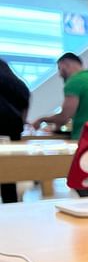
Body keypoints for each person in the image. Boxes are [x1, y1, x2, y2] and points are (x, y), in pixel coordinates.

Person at [32, 52, 88, 140]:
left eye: (60, 68)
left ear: (66, 64)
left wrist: (41, 119)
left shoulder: (75, 81)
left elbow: (64, 117)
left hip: (86, 138)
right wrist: (56, 127)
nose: (60, 75)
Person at [0, 59, 30, 203]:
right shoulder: (19, 85)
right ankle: (11, 204)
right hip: (13, 132)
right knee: (9, 173)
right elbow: (25, 109)